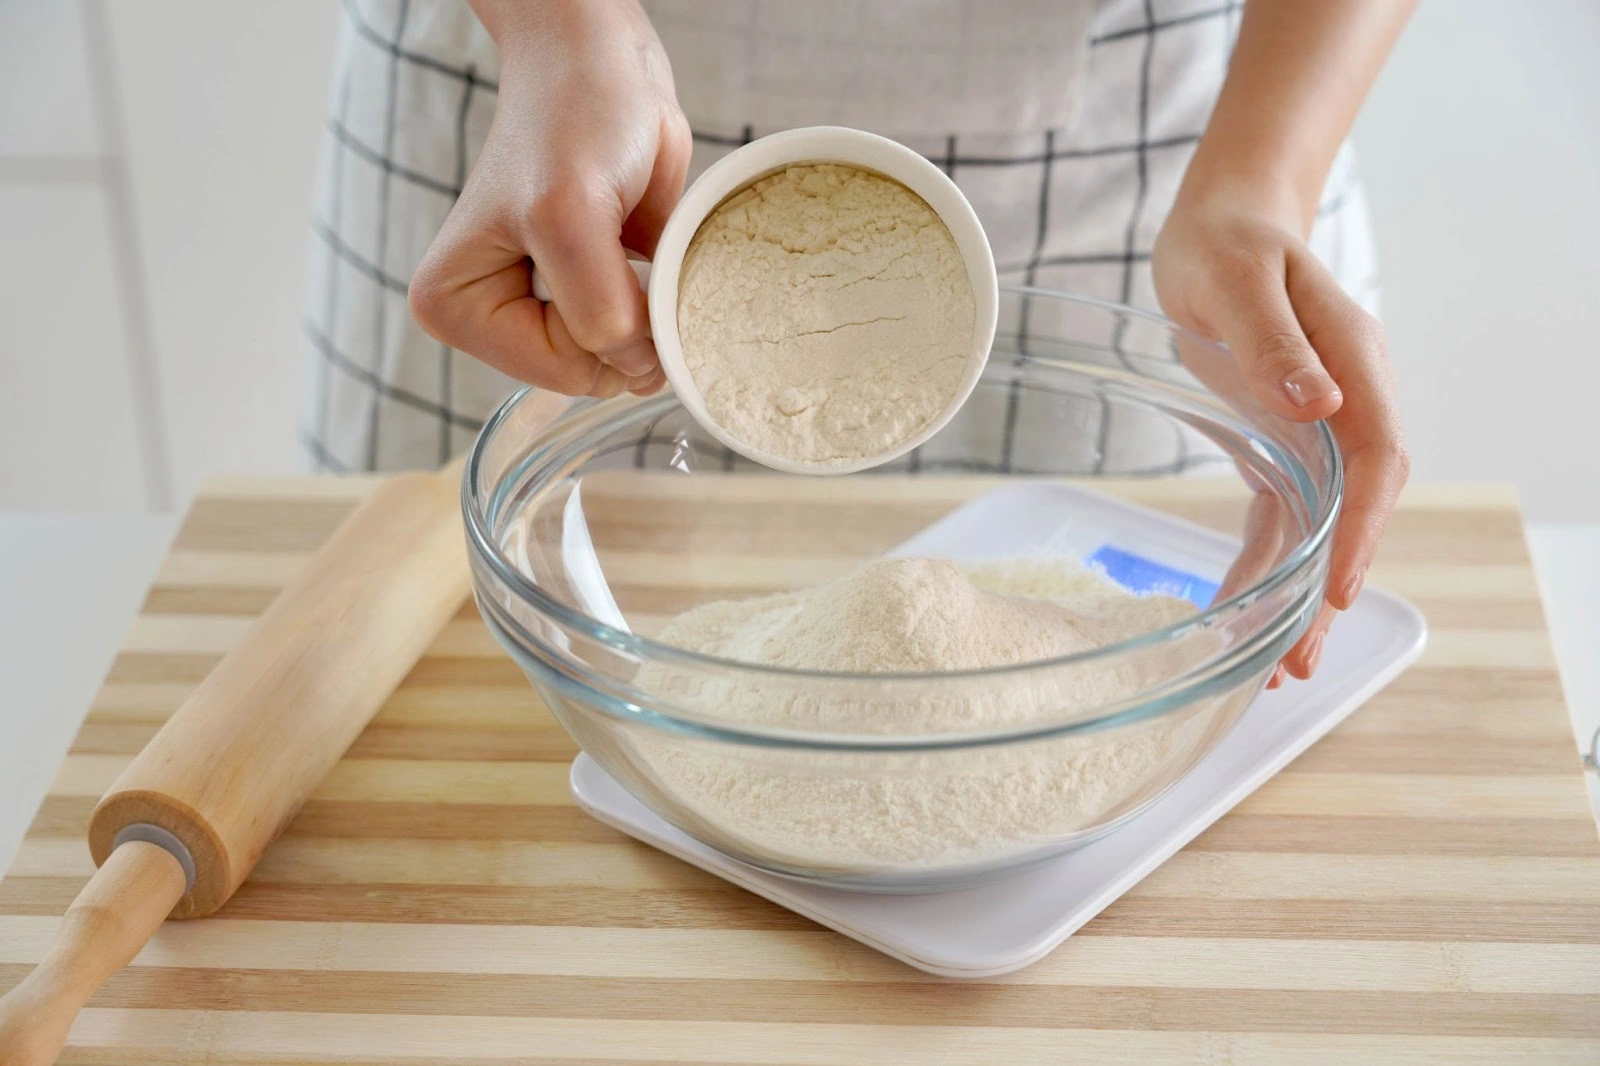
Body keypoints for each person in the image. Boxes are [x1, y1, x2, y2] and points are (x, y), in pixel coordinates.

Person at [301, 0, 1413, 682]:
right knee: (434, 668)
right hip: (542, 119)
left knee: (1121, 643)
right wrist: (562, 30)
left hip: (1159, 148)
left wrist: (1261, 183)